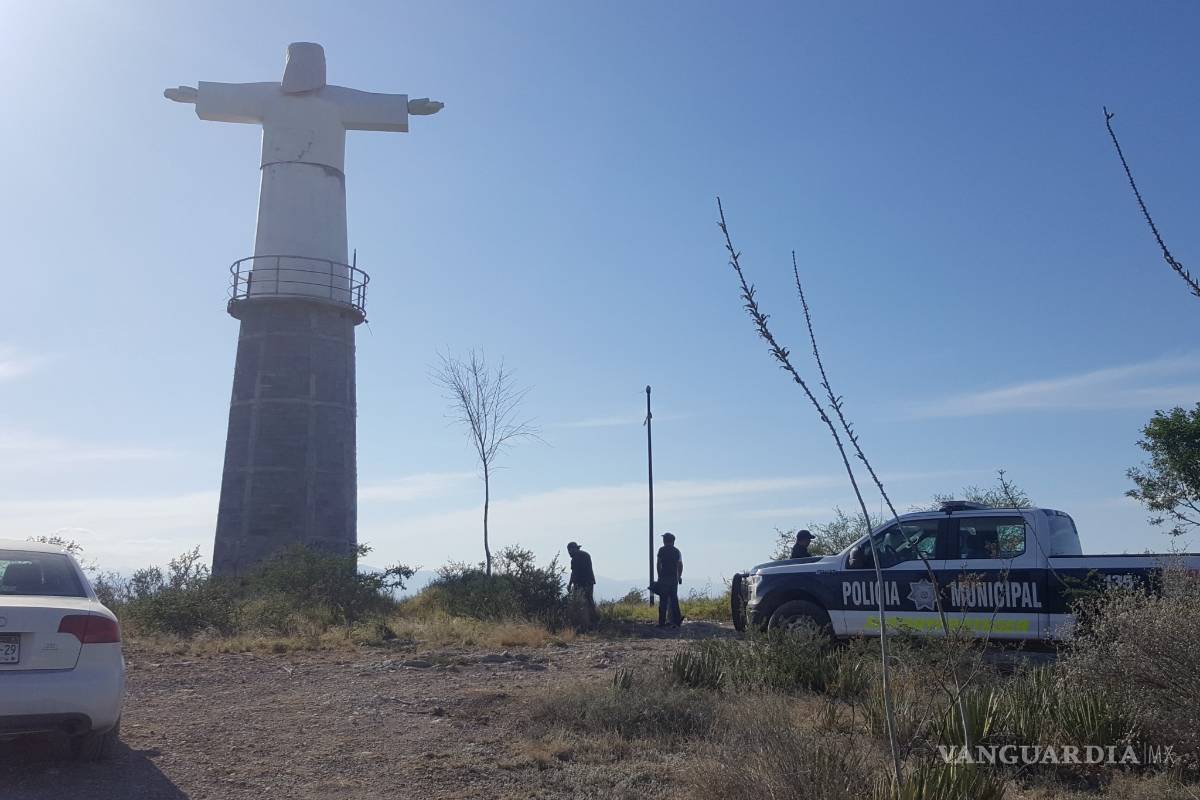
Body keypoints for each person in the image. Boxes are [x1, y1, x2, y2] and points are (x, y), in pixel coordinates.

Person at [566, 541, 599, 628]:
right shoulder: (585, 555)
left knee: (580, 602)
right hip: (589, 582)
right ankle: (594, 620)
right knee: (589, 601)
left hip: (581, 583)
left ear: (574, 549)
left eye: (570, 550)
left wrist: (570, 585)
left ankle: (586, 623)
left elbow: (574, 573)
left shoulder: (575, 558)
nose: (569, 552)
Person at [655, 532, 684, 627]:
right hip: (673, 579)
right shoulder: (677, 551)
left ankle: (661, 622)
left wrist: (659, 576)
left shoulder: (661, 550)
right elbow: (680, 565)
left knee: (663, 600)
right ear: (673, 541)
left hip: (664, 578)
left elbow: (658, 564)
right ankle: (677, 620)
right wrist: (679, 576)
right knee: (674, 600)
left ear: (665, 541)